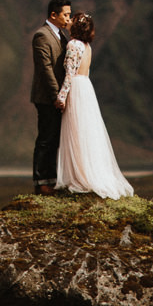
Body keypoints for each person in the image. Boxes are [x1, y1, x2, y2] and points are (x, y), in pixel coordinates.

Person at [55, 13, 134, 199]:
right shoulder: (87, 46)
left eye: (72, 19)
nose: (69, 21)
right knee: (86, 131)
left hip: (76, 88)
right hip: (86, 88)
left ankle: (79, 176)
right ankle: (86, 172)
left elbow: (69, 74)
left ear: (76, 26)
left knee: (76, 131)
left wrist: (62, 96)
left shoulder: (73, 45)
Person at [29, 0, 72, 195]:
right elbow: (45, 69)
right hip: (47, 97)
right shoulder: (42, 35)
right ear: (53, 15)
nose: (68, 19)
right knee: (46, 139)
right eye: (66, 15)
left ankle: (52, 179)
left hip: (57, 97)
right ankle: (41, 181)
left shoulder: (61, 35)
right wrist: (56, 96)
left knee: (55, 139)